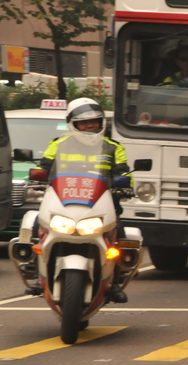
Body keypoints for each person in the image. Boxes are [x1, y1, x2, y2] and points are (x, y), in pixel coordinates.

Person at [28, 98, 133, 302]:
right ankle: (35, 272)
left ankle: (116, 281)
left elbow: (123, 171)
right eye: (84, 122)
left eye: (94, 121)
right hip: (62, 198)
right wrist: (38, 175)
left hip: (102, 200)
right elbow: (44, 168)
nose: (89, 126)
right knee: (35, 226)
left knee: (119, 234)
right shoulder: (58, 144)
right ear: (72, 124)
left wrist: (126, 184)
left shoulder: (113, 147)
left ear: (101, 123)